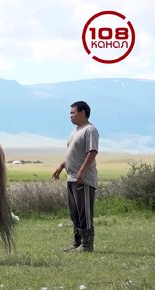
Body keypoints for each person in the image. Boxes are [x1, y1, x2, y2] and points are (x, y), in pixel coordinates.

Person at [52, 101, 99, 252]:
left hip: (83, 179)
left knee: (84, 211)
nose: (70, 116)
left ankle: (87, 245)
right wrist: (61, 166)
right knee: (75, 212)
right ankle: (77, 242)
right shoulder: (75, 130)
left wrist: (82, 171)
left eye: (73, 113)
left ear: (83, 113)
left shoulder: (90, 130)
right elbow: (72, 153)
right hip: (71, 177)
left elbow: (92, 152)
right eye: (70, 113)